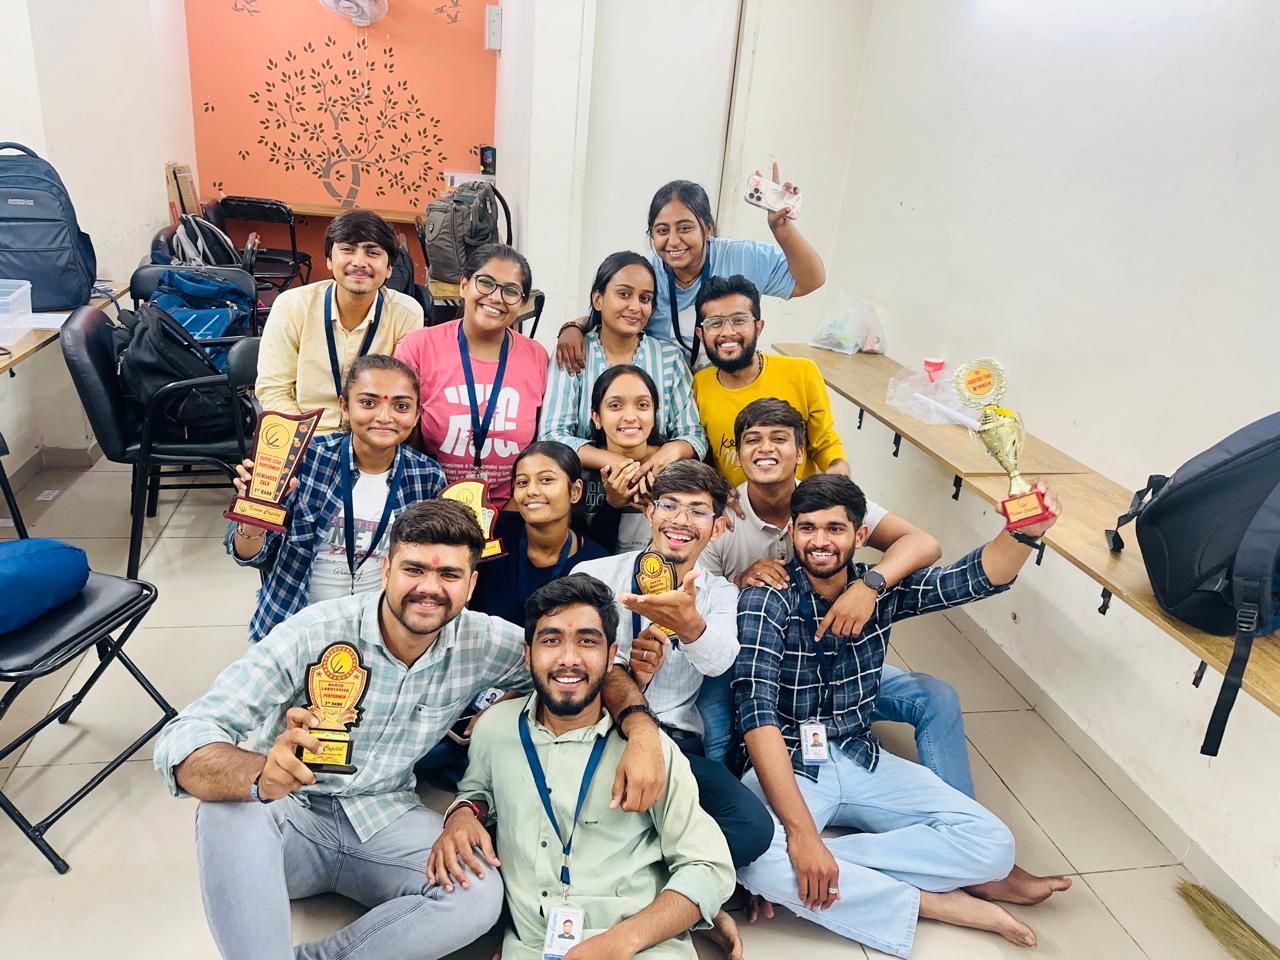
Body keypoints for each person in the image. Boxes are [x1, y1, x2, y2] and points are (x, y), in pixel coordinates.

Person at [155, 500, 669, 960]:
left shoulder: (482, 640)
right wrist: (260, 773)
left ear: (471, 585)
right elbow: (186, 734)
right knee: (228, 807)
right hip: (292, 815)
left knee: (478, 896)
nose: (429, 588)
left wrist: (643, 733)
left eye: (449, 574)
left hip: (384, 815)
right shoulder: (314, 631)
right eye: (414, 569)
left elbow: (587, 669)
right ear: (386, 569)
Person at [734, 475, 1071, 957]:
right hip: (790, 761)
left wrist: (1024, 532)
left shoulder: (879, 589)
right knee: (750, 857)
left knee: (995, 847)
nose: (820, 541)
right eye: (808, 528)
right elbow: (757, 714)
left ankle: (823, 866)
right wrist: (802, 833)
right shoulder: (766, 597)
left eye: (835, 529)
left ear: (860, 535)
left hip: (860, 754)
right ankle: (937, 903)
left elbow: (973, 578)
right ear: (791, 532)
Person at [428, 573, 738, 960]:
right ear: (528, 654)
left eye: (587, 641)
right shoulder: (495, 728)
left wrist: (622, 942)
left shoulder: (647, 749)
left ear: (611, 656)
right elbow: (477, 791)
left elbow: (708, 867)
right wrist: (462, 814)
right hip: (530, 948)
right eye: (551, 640)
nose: (569, 659)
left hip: (640, 949)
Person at [571, 461, 775, 871]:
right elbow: (574, 663)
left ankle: (633, 867)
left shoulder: (719, 593)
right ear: (650, 513)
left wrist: (689, 624)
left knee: (752, 829)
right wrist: (632, 673)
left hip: (677, 744)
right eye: (669, 505)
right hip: (597, 734)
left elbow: (720, 662)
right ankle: (662, 867)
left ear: (717, 528)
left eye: (698, 511)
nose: (681, 521)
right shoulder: (594, 576)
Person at [228, 355, 445, 644]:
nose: (384, 417)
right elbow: (248, 555)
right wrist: (254, 512)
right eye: (368, 403)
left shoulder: (427, 476)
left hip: (382, 629)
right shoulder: (305, 459)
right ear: (344, 406)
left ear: (418, 414)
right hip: (295, 622)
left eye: (401, 406)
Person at [556, 171, 826, 370]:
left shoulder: (742, 257)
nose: (673, 241)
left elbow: (811, 280)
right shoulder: (648, 274)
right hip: (670, 392)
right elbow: (615, 313)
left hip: (730, 385)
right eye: (662, 230)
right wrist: (573, 327)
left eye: (685, 228)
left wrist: (781, 228)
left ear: (707, 228)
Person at [396, 243, 549, 503]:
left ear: (522, 303)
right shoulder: (420, 346)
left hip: (512, 507)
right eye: (486, 283)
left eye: (511, 291)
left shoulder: (537, 357)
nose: (496, 297)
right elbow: (398, 426)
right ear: (464, 285)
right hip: (431, 504)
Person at [540, 251, 707, 486]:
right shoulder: (574, 352)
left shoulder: (669, 358)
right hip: (584, 495)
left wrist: (667, 454)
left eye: (645, 298)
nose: (635, 307)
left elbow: (694, 435)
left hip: (657, 489)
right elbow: (551, 437)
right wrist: (618, 462)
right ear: (598, 299)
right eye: (624, 294)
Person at [256, 210, 423, 433]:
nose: (359, 262)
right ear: (329, 260)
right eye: (348, 250)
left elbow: (398, 393)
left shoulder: (407, 313)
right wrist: (303, 439)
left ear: (389, 268)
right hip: (304, 434)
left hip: (372, 435)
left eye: (373, 253)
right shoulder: (292, 305)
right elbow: (274, 389)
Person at [691, 275, 848, 487]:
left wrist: (837, 469)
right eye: (715, 323)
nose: (727, 332)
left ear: (758, 327)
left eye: (739, 320)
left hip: (799, 501)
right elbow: (706, 457)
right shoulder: (699, 385)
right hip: (737, 505)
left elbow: (825, 443)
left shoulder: (802, 373)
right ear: (701, 334)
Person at [470, 441, 610, 627]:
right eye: (522, 482)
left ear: (575, 491)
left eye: (546, 480)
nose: (532, 491)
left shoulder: (597, 563)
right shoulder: (491, 532)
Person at [580, 364, 669, 553]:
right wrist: (612, 504)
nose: (630, 417)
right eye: (615, 406)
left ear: (654, 415)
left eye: (642, 405)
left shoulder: (675, 468)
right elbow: (582, 555)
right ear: (597, 417)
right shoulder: (579, 474)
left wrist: (659, 514)